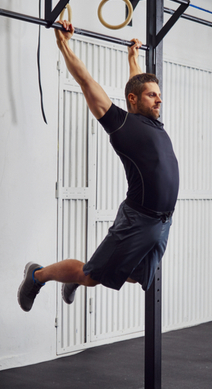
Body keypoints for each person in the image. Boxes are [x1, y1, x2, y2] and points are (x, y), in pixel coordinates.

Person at [18, 20, 179, 312]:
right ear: (134, 101)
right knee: (92, 276)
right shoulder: (120, 124)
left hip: (162, 221)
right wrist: (63, 43)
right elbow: (86, 81)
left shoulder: (149, 120)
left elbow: (137, 86)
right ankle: (37, 275)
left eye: (158, 94)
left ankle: (76, 277)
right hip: (139, 219)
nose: (159, 99)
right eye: (152, 95)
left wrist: (133, 58)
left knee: (135, 275)